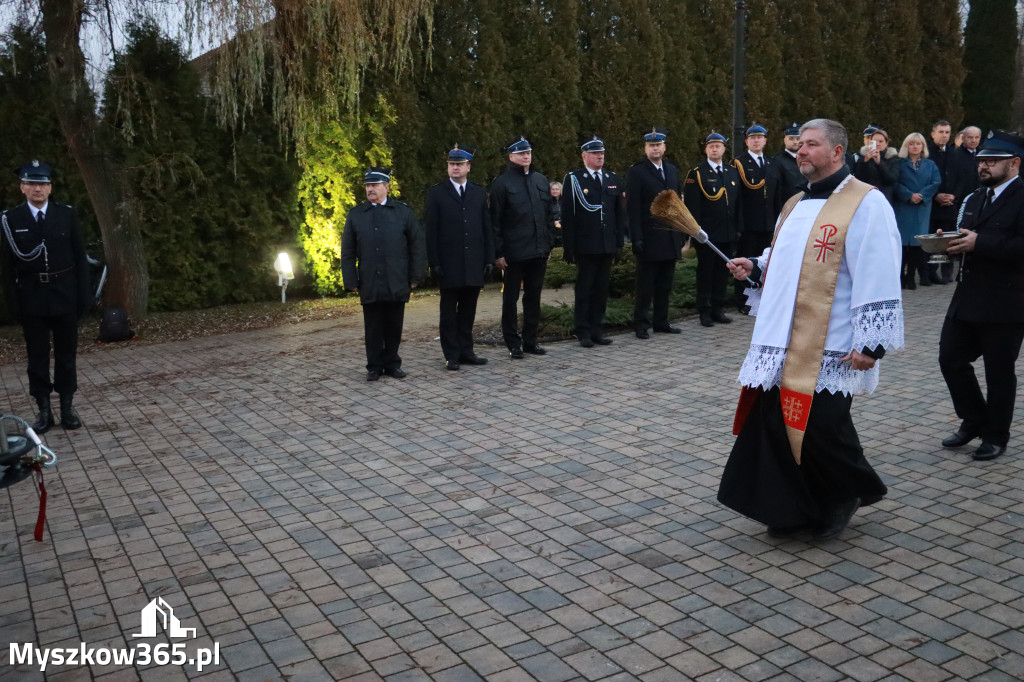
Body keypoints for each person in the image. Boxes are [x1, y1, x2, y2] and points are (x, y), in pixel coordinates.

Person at [718, 119, 904, 541]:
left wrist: (872, 344)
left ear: (837, 152)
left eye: (811, 145)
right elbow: (783, 256)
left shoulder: (865, 203)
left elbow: (879, 272)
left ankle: (847, 493)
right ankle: (792, 509)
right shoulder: (794, 204)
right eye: (799, 145)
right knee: (776, 426)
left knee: (823, 428)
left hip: (831, 339)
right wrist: (757, 266)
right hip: (783, 338)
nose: (801, 152)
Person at [937, 130, 1024, 462]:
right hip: (968, 296)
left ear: (1014, 163)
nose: (984, 166)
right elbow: (965, 239)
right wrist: (947, 245)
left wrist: (979, 243)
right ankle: (974, 419)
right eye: (982, 160)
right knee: (950, 359)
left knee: (999, 372)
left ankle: (996, 434)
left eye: (993, 161)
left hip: (1007, 302)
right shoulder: (975, 198)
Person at [1, 160, 92, 432]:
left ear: (50, 188)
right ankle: (43, 411)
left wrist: (84, 295)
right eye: (31, 183)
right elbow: (6, 266)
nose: (37, 188)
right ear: (22, 188)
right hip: (32, 298)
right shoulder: (10, 220)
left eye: (42, 183)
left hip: (65, 294)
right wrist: (13, 304)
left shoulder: (66, 215)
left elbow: (80, 257)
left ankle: (67, 408)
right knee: (37, 357)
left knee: (66, 355)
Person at [341, 167, 426, 381]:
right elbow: (348, 251)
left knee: (394, 324)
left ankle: (392, 363)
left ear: (386, 187)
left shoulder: (403, 212)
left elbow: (416, 245)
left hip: (396, 278)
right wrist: (350, 279)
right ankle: (374, 366)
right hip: (369, 279)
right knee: (373, 326)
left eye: (375, 185)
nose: (370, 189)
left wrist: (415, 277)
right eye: (368, 185)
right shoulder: (356, 215)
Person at [425, 145, 494, 371]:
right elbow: (431, 230)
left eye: (459, 164)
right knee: (448, 313)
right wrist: (434, 261)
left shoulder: (478, 193)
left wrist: (489, 258)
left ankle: (467, 351)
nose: (455, 168)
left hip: (473, 261)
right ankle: (451, 354)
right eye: (451, 164)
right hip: (449, 263)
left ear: (468, 167)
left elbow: (486, 228)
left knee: (468, 310)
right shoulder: (436, 193)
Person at [490, 136, 555, 359]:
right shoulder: (502, 183)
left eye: (528, 152)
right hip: (514, 253)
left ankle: (530, 341)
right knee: (510, 300)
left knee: (533, 298)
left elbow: (547, 217)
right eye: (521, 153)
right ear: (511, 156)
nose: (526, 156)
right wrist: (498, 253)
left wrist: (547, 247)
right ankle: (512, 343)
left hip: (538, 251)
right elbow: (495, 221)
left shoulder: (540, 180)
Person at [560, 136, 626, 347]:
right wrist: (568, 246)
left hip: (606, 243)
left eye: (602, 153)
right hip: (586, 245)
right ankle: (583, 331)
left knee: (601, 289)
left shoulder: (611, 178)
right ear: (584, 156)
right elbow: (568, 215)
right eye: (595, 153)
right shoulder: (574, 179)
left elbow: (618, 213)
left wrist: (619, 242)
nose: (600, 156)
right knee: (585, 289)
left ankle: (597, 329)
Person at [627, 127, 685, 338]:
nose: (655, 148)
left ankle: (661, 321)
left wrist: (681, 232)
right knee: (645, 286)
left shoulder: (671, 170)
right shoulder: (637, 172)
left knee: (664, 285)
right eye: (651, 146)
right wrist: (637, 238)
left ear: (664, 147)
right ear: (646, 148)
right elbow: (632, 208)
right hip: (649, 238)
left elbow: (677, 204)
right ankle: (641, 324)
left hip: (669, 236)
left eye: (658, 145)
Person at [684, 131, 741, 327]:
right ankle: (704, 310)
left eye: (718, 146)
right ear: (706, 149)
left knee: (722, 273)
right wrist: (696, 232)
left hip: (727, 232)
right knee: (706, 273)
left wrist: (737, 229)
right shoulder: (697, 173)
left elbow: (737, 203)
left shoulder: (732, 172)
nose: (715, 149)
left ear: (724, 149)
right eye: (711, 146)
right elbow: (693, 206)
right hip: (706, 235)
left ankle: (718, 308)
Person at [732, 123, 782, 312]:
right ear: (747, 141)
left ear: (765, 140)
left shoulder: (772, 164)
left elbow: (776, 195)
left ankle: (763, 297)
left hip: (768, 222)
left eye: (760, 137)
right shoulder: (739, 163)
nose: (756, 140)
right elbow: (737, 196)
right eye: (753, 138)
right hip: (749, 223)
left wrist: (778, 220)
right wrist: (740, 223)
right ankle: (744, 301)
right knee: (745, 263)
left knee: (766, 262)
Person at [893, 133, 940, 289]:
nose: (915, 147)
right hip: (904, 207)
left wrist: (922, 196)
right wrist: (908, 195)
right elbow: (895, 182)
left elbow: (935, 182)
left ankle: (912, 277)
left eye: (918, 144)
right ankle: (900, 276)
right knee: (902, 244)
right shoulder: (899, 163)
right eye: (911, 144)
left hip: (921, 208)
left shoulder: (930, 164)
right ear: (906, 146)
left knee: (916, 244)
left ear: (923, 146)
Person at [927, 120, 962, 283]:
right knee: (933, 239)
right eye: (941, 132)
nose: (944, 135)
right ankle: (930, 272)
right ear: (933, 133)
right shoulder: (927, 153)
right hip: (933, 204)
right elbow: (925, 179)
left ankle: (947, 273)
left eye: (947, 132)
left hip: (950, 205)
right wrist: (936, 195)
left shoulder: (955, 153)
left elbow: (962, 178)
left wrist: (954, 196)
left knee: (950, 239)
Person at [853, 127, 899, 207]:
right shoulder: (863, 157)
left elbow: (891, 180)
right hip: (866, 199)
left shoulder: (893, 158)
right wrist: (865, 161)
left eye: (881, 141)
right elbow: (858, 178)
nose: (878, 144)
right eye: (875, 141)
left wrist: (879, 163)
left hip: (884, 200)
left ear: (886, 143)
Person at [774, 122, 804, 201]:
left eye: (798, 139)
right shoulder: (777, 161)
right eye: (791, 138)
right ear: (785, 140)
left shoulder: (808, 160)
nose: (795, 142)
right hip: (787, 207)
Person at [549, 181, 563, 247]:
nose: (555, 191)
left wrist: (560, 221)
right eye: (553, 189)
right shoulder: (547, 202)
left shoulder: (565, 201)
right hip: (551, 228)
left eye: (557, 189)